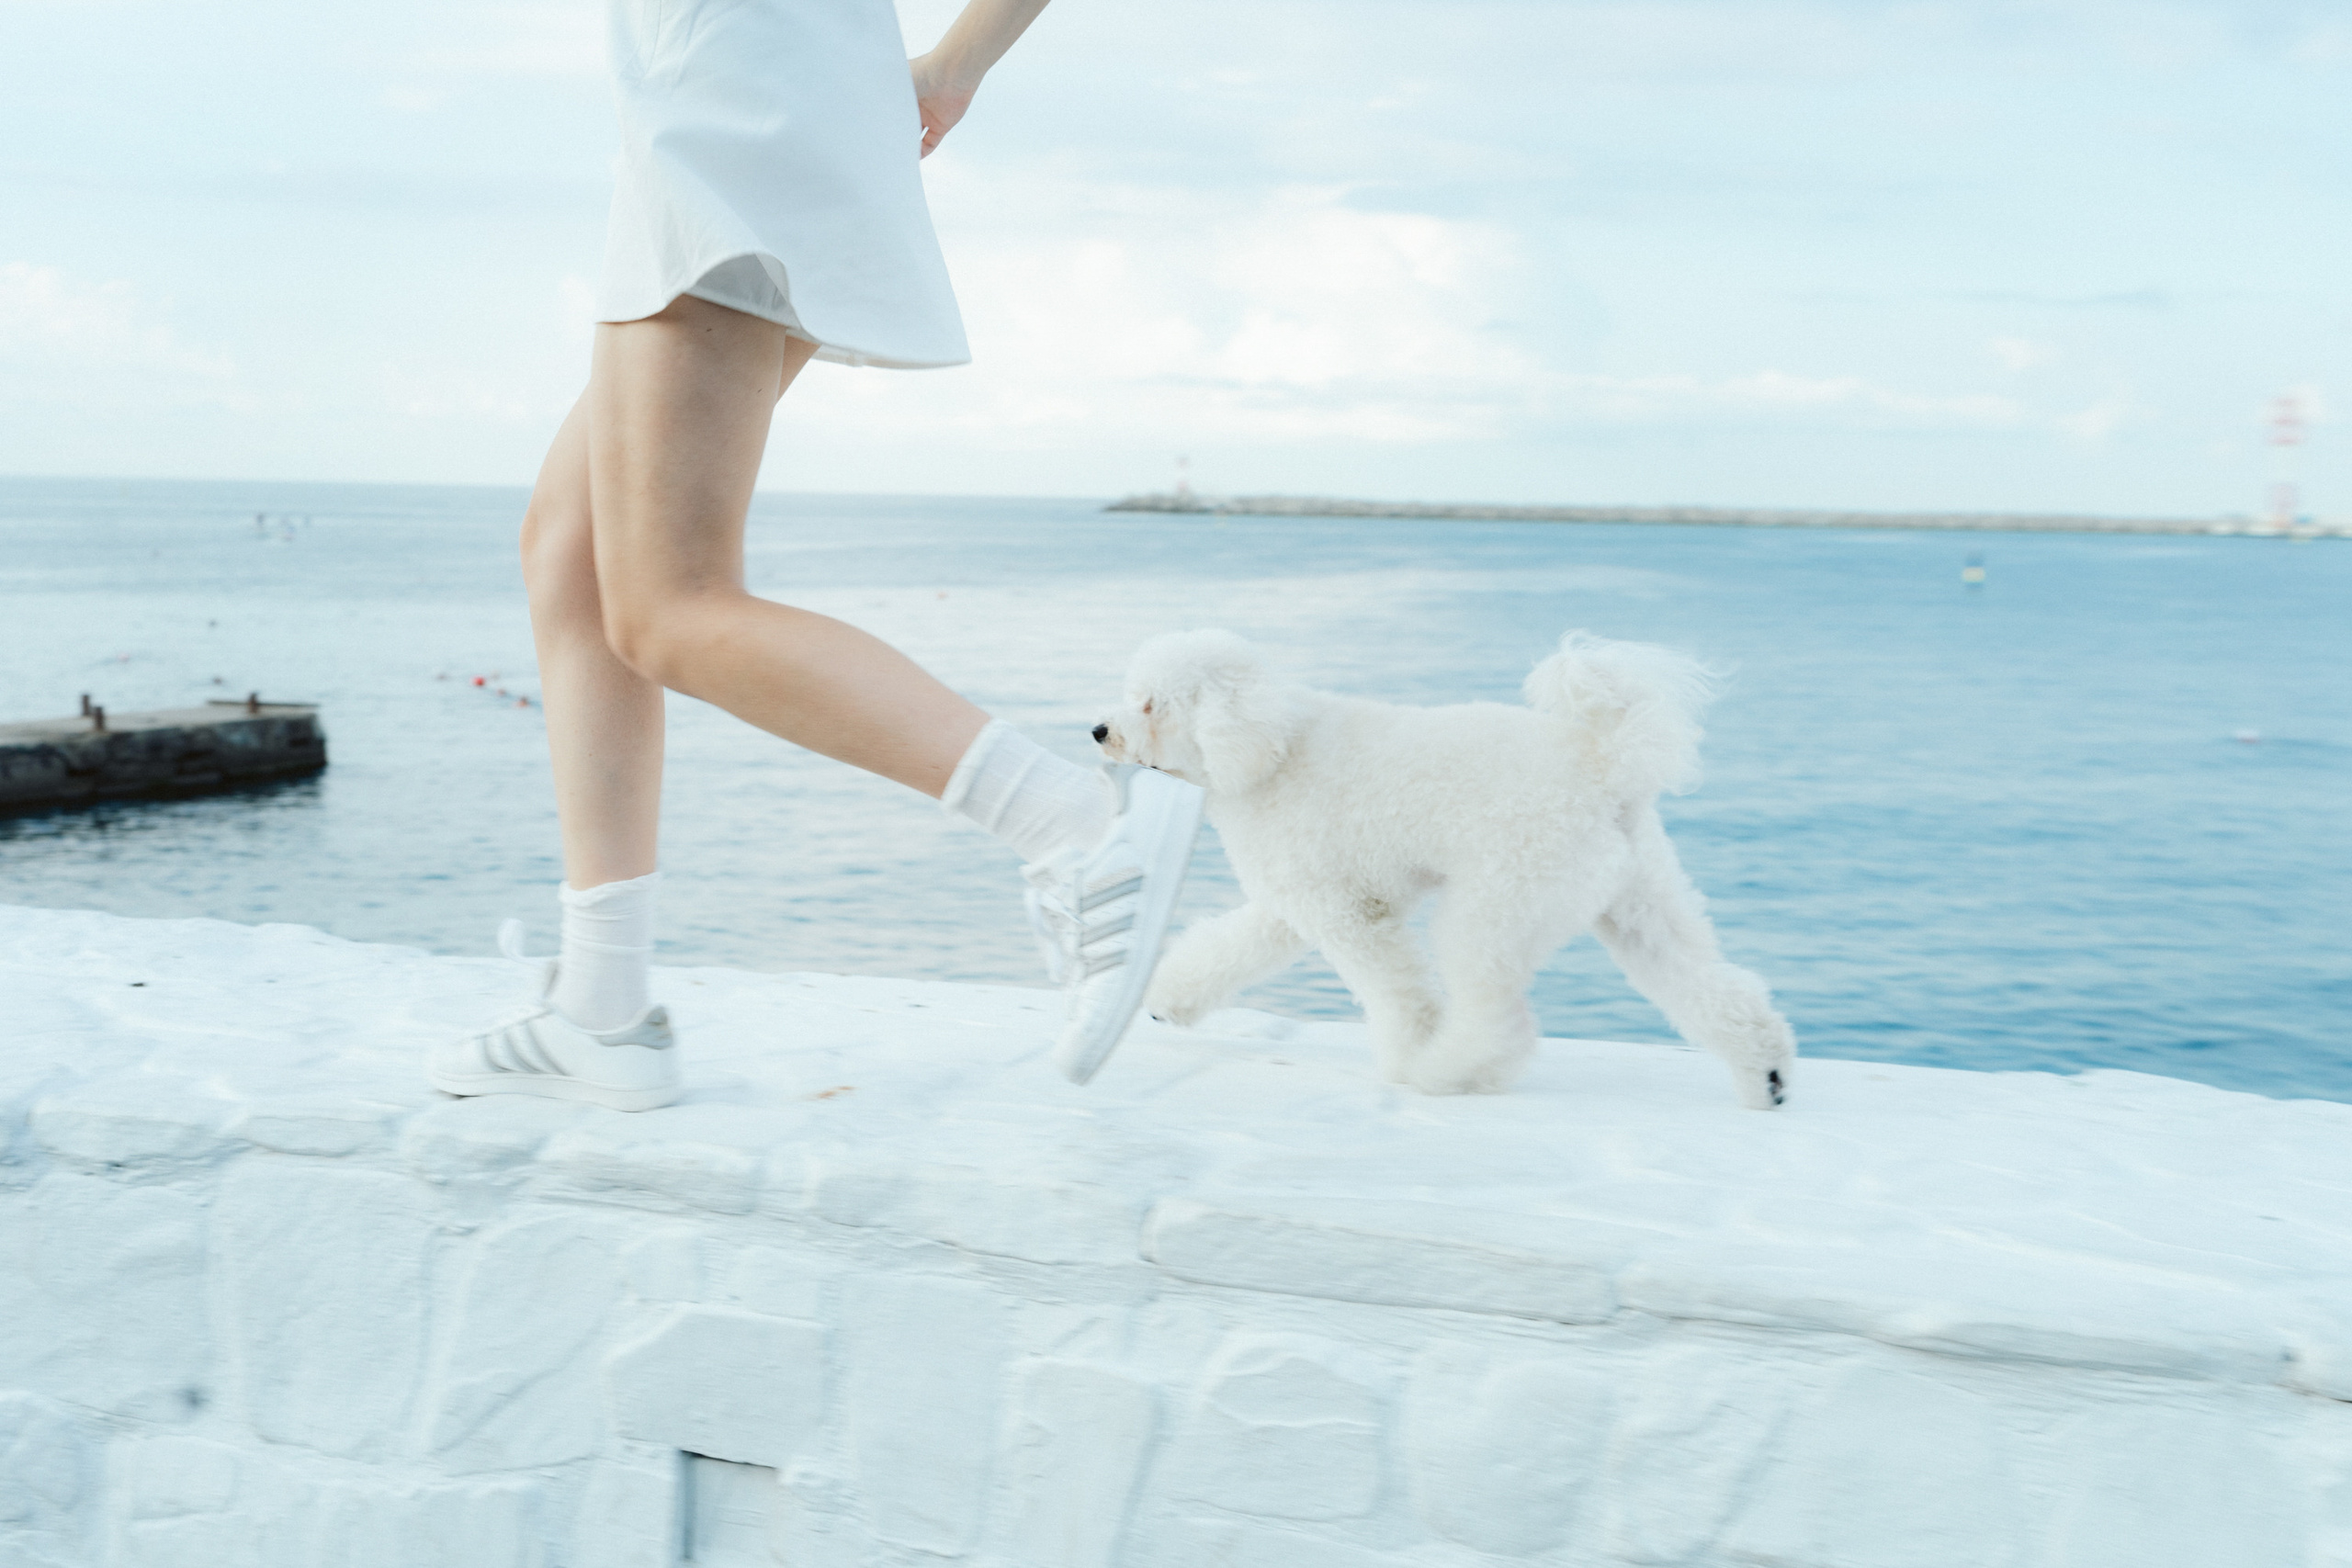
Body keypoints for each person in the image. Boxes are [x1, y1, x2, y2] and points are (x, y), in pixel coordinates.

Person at [425, 0, 1202, 1111]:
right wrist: (953, 68)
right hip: (770, 89)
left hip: (731, 99)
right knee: (572, 550)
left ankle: (1075, 829)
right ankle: (600, 1006)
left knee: (666, 602)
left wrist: (953, 64)